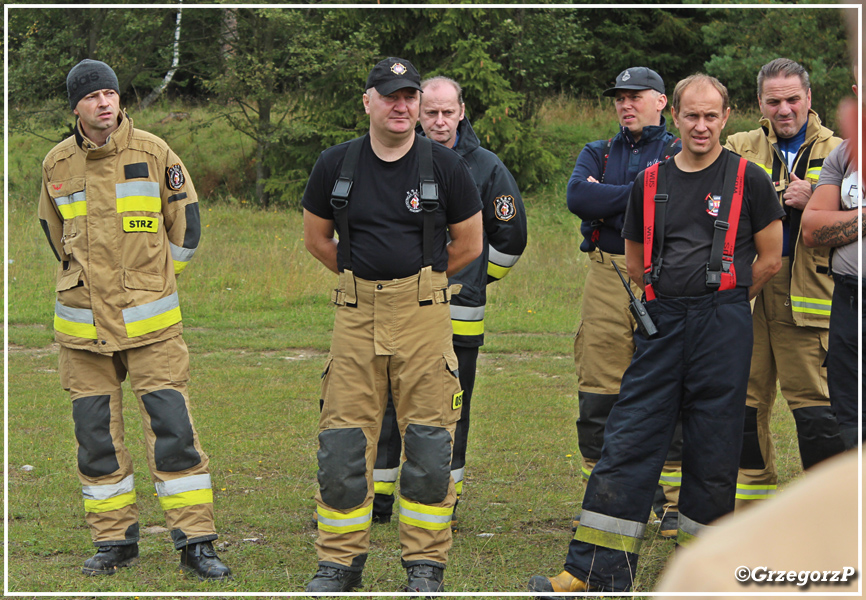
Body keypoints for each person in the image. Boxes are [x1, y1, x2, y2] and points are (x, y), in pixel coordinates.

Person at [529, 74, 784, 594]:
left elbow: (771, 257)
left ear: (726, 117)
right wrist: (671, 300)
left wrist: (728, 301)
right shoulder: (650, 182)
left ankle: (702, 573)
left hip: (723, 322)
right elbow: (637, 262)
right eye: (692, 115)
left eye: (712, 116)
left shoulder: (750, 179)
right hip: (663, 320)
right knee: (628, 437)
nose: (701, 125)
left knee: (714, 447)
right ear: (675, 117)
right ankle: (593, 570)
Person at [37, 59, 231, 580]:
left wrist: (149, 280)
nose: (105, 103)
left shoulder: (153, 152)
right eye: (93, 96)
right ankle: (113, 541)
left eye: (111, 94)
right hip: (82, 329)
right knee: (96, 437)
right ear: (76, 106)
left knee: (173, 430)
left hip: (151, 327)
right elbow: (54, 235)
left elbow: (186, 229)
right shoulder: (56, 165)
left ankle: (196, 541)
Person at [301, 57, 483, 594]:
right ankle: (339, 564)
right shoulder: (335, 164)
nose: (402, 107)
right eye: (390, 96)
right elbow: (317, 240)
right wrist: (362, 282)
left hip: (424, 315)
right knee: (342, 447)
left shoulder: (445, 167)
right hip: (355, 316)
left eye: (410, 97)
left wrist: (420, 284)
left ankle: (425, 565)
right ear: (368, 102)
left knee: (428, 448)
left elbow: (470, 245)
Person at [370, 75, 527, 529]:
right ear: (418, 112)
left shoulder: (486, 167)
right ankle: (379, 496)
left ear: (462, 113)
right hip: (393, 312)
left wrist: (472, 278)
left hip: (458, 316)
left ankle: (444, 495)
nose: (439, 121)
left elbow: (510, 240)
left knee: (449, 408)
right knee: (386, 401)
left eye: (447, 112)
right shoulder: (392, 157)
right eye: (430, 112)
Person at [566, 66, 682, 537]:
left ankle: (673, 504)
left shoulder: (679, 151)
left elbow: (676, 199)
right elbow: (579, 198)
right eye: (619, 97)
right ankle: (606, 498)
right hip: (607, 272)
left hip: (666, 276)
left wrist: (609, 196)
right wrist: (643, 190)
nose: (625, 104)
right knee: (599, 389)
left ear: (661, 103)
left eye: (636, 96)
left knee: (671, 387)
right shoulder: (597, 151)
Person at [725, 58, 845, 507]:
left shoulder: (842, 151)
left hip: (810, 299)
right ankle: (750, 511)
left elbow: (858, 218)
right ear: (760, 103)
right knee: (743, 407)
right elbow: (715, 197)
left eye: (793, 99)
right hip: (750, 294)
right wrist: (779, 198)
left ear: (809, 99)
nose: (784, 109)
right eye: (774, 101)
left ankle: (831, 513)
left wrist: (815, 200)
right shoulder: (739, 145)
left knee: (818, 413)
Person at [801, 104, 863, 449]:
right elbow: (812, 229)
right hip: (850, 300)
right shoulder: (846, 153)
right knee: (850, 413)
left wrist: (846, 221)